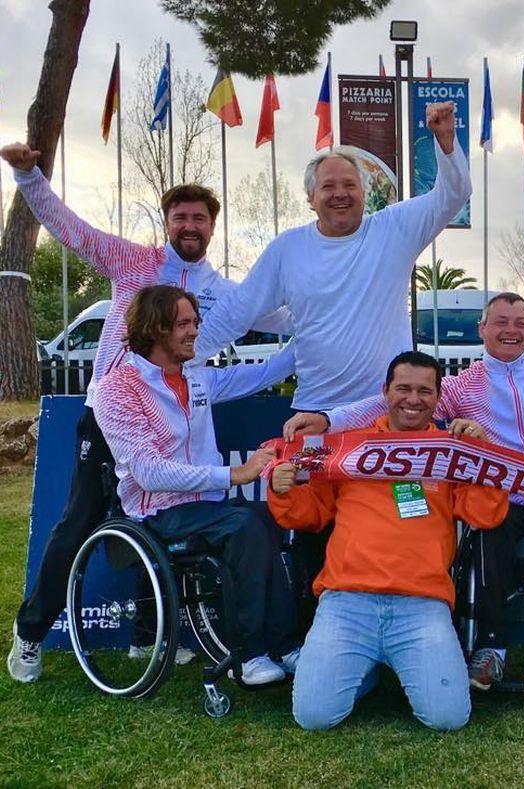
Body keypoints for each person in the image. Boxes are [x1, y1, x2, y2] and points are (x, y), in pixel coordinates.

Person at [2, 142, 291, 683]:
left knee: (162, 511)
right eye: (179, 216)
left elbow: (278, 317)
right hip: (112, 409)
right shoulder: (134, 260)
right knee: (81, 523)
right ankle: (31, 633)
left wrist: (330, 322)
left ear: (211, 228)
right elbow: (73, 230)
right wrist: (28, 177)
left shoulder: (220, 290)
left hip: (180, 402)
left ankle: (145, 638)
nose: (189, 225)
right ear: (166, 222)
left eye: (199, 218)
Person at [282, 292, 524, 695]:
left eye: (520, 324)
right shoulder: (463, 386)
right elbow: (387, 403)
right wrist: (327, 419)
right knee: (486, 528)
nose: (511, 331)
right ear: (483, 329)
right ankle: (490, 647)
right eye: (501, 322)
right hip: (504, 494)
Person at [267, 351, 508, 732]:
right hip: (347, 602)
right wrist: (283, 491)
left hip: (421, 605)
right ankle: (367, 671)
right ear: (385, 391)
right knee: (313, 717)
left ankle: (382, 666)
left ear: (437, 396)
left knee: (447, 718)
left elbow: (485, 515)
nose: (413, 399)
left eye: (425, 391)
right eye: (403, 389)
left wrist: (483, 456)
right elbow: (308, 515)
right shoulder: (346, 447)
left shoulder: (451, 451)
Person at [190, 101, 469, 414]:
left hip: (383, 412)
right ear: (311, 198)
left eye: (350, 185)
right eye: (328, 187)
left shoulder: (394, 229)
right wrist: (182, 359)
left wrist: (445, 141)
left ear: (364, 194)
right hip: (315, 411)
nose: (340, 194)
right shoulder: (287, 249)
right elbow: (237, 311)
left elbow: (453, 196)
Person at [92, 285, 301, 685]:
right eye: (184, 324)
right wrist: (233, 475)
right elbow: (148, 471)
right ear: (154, 329)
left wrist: (320, 329)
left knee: (266, 518)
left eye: (195, 322)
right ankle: (249, 654)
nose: (194, 332)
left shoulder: (197, 376)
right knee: (243, 527)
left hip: (205, 507)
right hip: (157, 512)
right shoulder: (117, 389)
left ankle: (286, 646)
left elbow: (265, 372)